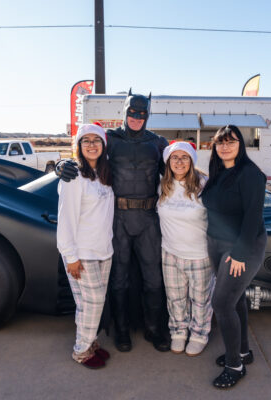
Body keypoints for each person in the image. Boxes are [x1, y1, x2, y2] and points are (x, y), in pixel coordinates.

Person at [57, 89, 170, 352]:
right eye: (132, 112)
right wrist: (61, 166)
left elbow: (180, 170)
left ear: (148, 114)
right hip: (117, 219)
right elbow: (87, 157)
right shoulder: (110, 141)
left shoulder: (158, 143)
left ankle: (154, 329)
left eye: (142, 113)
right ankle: (121, 331)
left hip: (147, 217)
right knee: (119, 280)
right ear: (124, 111)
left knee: (154, 278)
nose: (136, 117)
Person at [201, 125, 267, 389]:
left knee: (222, 303)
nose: (225, 147)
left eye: (231, 142)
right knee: (234, 298)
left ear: (241, 144)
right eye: (220, 143)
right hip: (216, 243)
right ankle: (242, 351)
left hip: (242, 247)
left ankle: (234, 366)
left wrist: (239, 254)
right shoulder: (217, 173)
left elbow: (253, 217)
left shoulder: (251, 174)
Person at [57, 123, 114, 369]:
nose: (92, 145)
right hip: (82, 252)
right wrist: (70, 256)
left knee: (86, 304)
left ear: (103, 145)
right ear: (79, 146)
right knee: (95, 302)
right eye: (86, 140)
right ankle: (81, 351)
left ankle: (89, 343)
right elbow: (66, 219)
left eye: (96, 140)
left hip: (104, 250)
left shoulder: (105, 174)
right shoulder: (73, 177)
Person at [157, 141, 214, 356]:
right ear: (168, 161)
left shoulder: (205, 185)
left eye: (184, 157)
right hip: (170, 253)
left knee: (200, 300)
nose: (179, 162)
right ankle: (178, 331)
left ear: (191, 161)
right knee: (175, 297)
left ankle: (199, 334)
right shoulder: (162, 185)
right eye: (174, 157)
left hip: (200, 255)